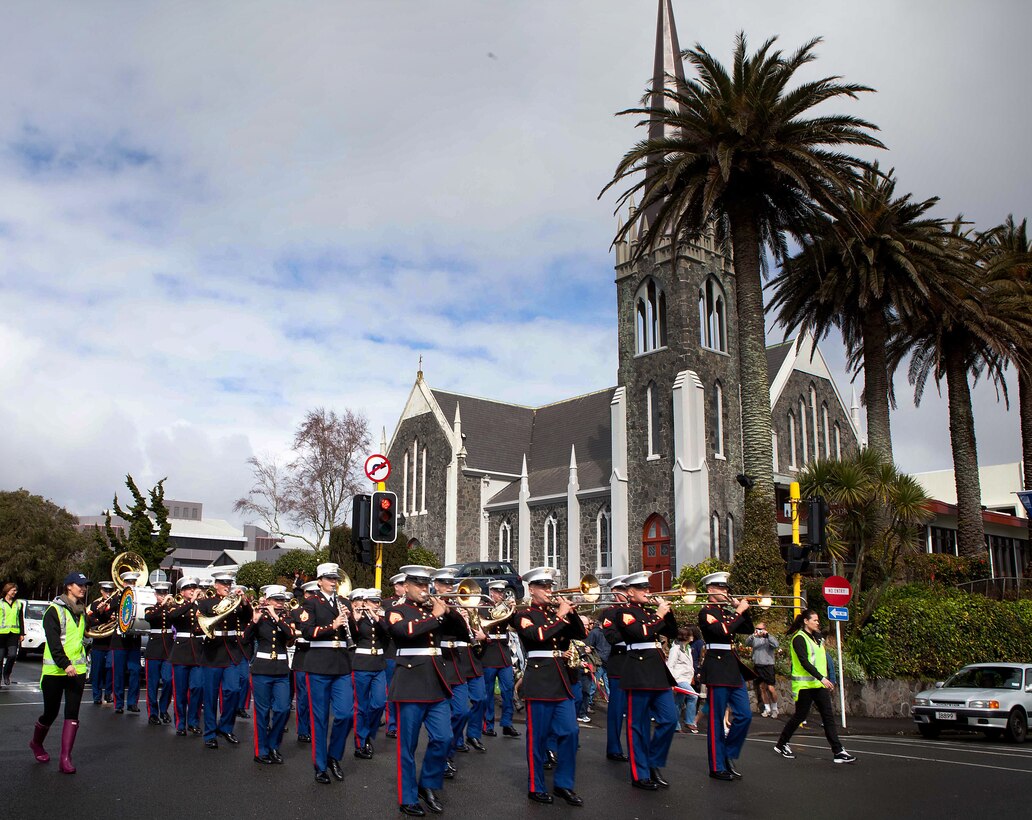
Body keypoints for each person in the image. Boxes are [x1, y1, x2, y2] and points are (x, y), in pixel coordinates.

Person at [385, 564, 463, 816]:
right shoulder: (397, 611)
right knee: (407, 746)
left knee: (444, 737)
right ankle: (407, 797)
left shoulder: (434, 609)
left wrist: (450, 613)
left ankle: (427, 784)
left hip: (435, 683)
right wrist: (437, 616)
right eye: (418, 585)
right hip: (409, 683)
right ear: (405, 586)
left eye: (425, 584)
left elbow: (464, 633)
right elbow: (405, 632)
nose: (423, 589)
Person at [514, 566, 586, 807]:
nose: (549, 590)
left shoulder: (557, 613)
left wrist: (571, 612)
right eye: (543, 586)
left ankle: (564, 784)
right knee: (538, 737)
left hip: (561, 679)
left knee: (571, 732)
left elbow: (580, 634)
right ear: (531, 589)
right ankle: (536, 785)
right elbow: (538, 637)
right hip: (539, 678)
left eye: (550, 586)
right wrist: (560, 615)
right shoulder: (523, 614)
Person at [602, 571, 678, 790]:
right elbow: (641, 633)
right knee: (639, 725)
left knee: (669, 719)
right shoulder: (624, 613)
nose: (648, 592)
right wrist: (659, 615)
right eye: (643, 589)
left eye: (648, 588)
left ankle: (652, 761)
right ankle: (640, 773)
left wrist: (667, 612)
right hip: (637, 668)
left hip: (656, 668)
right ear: (631, 592)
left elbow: (671, 631)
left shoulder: (650, 612)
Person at [773, 609, 856, 764]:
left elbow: (824, 660)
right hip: (805, 685)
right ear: (806, 621)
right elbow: (804, 662)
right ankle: (781, 743)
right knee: (800, 716)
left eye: (818, 621)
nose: (818, 623)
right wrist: (822, 678)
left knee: (828, 717)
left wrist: (827, 678)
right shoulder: (798, 638)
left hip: (818, 685)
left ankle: (838, 751)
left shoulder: (817, 639)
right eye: (815, 620)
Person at [300, 562, 356, 785]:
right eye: (329, 578)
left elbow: (357, 634)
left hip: (341, 664)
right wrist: (332, 626)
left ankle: (334, 756)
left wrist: (351, 619)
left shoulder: (344, 602)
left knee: (345, 714)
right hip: (319, 665)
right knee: (320, 719)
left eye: (335, 578)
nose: (333, 582)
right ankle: (320, 766)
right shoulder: (311, 602)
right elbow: (307, 631)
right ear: (320, 581)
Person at [696, 571, 755, 782]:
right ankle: (717, 765)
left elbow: (747, 628)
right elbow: (722, 631)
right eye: (722, 588)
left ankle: (728, 754)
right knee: (715, 720)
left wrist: (744, 611)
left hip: (732, 667)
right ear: (711, 590)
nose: (726, 592)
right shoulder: (707, 612)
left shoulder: (728, 611)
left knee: (745, 715)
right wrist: (738, 611)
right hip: (717, 666)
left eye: (726, 589)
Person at [31, 571, 91, 773]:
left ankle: (65, 758)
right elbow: (54, 642)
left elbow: (81, 638)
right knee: (51, 712)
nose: (83, 588)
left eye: (84, 586)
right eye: (79, 585)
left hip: (78, 670)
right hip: (55, 671)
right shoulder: (53, 611)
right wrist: (65, 664)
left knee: (72, 712)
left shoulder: (81, 611)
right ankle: (36, 743)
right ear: (68, 587)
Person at [196, 571, 250, 749]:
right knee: (210, 696)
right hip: (213, 651)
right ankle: (210, 733)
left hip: (232, 651)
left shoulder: (237, 603)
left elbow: (247, 618)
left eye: (229, 583)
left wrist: (245, 602)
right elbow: (199, 626)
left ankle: (226, 727)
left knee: (233, 690)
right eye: (223, 583)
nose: (227, 586)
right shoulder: (206, 603)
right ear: (216, 585)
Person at [246, 585, 294, 765]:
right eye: (276, 600)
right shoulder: (259, 617)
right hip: (261, 670)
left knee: (282, 709)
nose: (280, 603)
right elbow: (244, 639)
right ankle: (261, 750)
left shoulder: (287, 617)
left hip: (281, 669)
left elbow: (290, 635)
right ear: (267, 600)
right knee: (262, 712)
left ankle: (274, 744)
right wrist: (254, 621)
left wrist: (276, 616)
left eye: (282, 600)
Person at [350, 588, 389, 759]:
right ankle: (360, 742)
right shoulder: (357, 618)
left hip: (379, 664)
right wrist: (355, 621)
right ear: (365, 602)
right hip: (362, 664)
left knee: (379, 703)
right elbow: (349, 636)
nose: (376, 604)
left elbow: (389, 632)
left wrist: (376, 617)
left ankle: (368, 733)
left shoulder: (381, 618)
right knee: (361, 706)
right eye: (373, 601)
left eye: (378, 601)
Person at [479, 580, 519, 739]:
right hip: (488, 653)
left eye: (502, 592)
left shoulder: (506, 608)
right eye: (497, 592)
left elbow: (515, 625)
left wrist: (513, 610)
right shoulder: (482, 608)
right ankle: (488, 724)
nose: (500, 595)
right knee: (488, 692)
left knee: (508, 689)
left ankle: (507, 723)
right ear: (491, 592)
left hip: (503, 652)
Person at [167, 577, 205, 736]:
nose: (192, 590)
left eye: (194, 587)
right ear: (182, 592)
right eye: (189, 588)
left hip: (197, 651)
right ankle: (180, 723)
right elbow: (173, 617)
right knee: (180, 691)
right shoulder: (176, 605)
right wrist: (192, 602)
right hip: (181, 652)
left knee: (197, 687)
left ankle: (194, 721)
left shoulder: (202, 605)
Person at [600, 575, 630, 762]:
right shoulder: (609, 614)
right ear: (615, 593)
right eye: (624, 590)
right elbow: (612, 638)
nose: (627, 594)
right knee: (616, 710)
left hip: (636, 662)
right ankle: (613, 747)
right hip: (619, 662)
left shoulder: (637, 610)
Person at [288, 580, 318, 744]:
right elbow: (292, 634)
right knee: (303, 697)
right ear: (304, 595)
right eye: (310, 594)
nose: (312, 596)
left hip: (318, 657)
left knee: (317, 698)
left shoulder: (322, 612)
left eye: (315, 594)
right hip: (301, 657)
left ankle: (315, 728)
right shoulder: (296, 612)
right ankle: (303, 729)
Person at [110, 570, 143, 715]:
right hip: (119, 640)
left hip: (134, 639)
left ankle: (132, 703)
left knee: (135, 671)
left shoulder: (138, 595)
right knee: (119, 672)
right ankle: (118, 703)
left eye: (133, 582)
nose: (131, 585)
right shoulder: (118, 597)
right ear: (123, 583)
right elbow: (111, 607)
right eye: (129, 582)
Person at [143, 580, 175, 725]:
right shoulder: (150, 608)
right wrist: (162, 605)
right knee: (152, 683)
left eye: (165, 593)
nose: (163, 596)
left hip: (168, 649)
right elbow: (149, 618)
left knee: (168, 681)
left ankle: (163, 709)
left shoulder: (172, 609)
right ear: (156, 595)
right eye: (160, 593)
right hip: (154, 649)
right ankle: (152, 713)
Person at [383, 572, 406, 740]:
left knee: (406, 690)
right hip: (391, 652)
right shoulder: (387, 604)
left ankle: (404, 723)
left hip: (407, 653)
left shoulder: (413, 605)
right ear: (395, 586)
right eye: (400, 585)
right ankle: (392, 724)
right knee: (391, 690)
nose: (403, 588)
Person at [86, 580, 116, 704]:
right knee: (97, 670)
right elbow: (90, 621)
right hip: (99, 642)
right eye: (106, 591)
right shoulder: (95, 604)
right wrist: (103, 617)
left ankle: (108, 693)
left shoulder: (116, 603)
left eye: (110, 591)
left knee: (110, 667)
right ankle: (97, 696)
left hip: (112, 641)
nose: (108, 593)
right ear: (101, 591)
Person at [666, 626, 699, 733]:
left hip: (686, 678)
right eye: (691, 635)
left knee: (678, 702)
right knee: (693, 696)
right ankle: (689, 721)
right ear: (686, 636)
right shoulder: (675, 649)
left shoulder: (687, 648)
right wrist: (671, 681)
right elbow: (670, 665)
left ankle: (675, 725)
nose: (692, 637)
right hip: (679, 679)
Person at [744, 621, 780, 717]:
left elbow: (776, 644)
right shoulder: (755, 638)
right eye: (757, 628)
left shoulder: (769, 638)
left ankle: (775, 708)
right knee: (762, 688)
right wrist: (753, 635)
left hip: (768, 666)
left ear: (764, 629)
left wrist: (767, 636)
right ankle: (767, 708)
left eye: (760, 629)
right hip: (758, 665)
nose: (758, 631)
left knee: (771, 688)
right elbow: (747, 643)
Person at [0, 582, 25, 686]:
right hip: (1, 633)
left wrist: (22, 633)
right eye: (13, 590)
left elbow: (20, 619)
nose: (15, 592)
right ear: (7, 590)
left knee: (12, 655)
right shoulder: (0, 603)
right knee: (0, 658)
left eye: (16, 590)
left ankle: (6, 674)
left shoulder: (19, 604)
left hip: (13, 633)